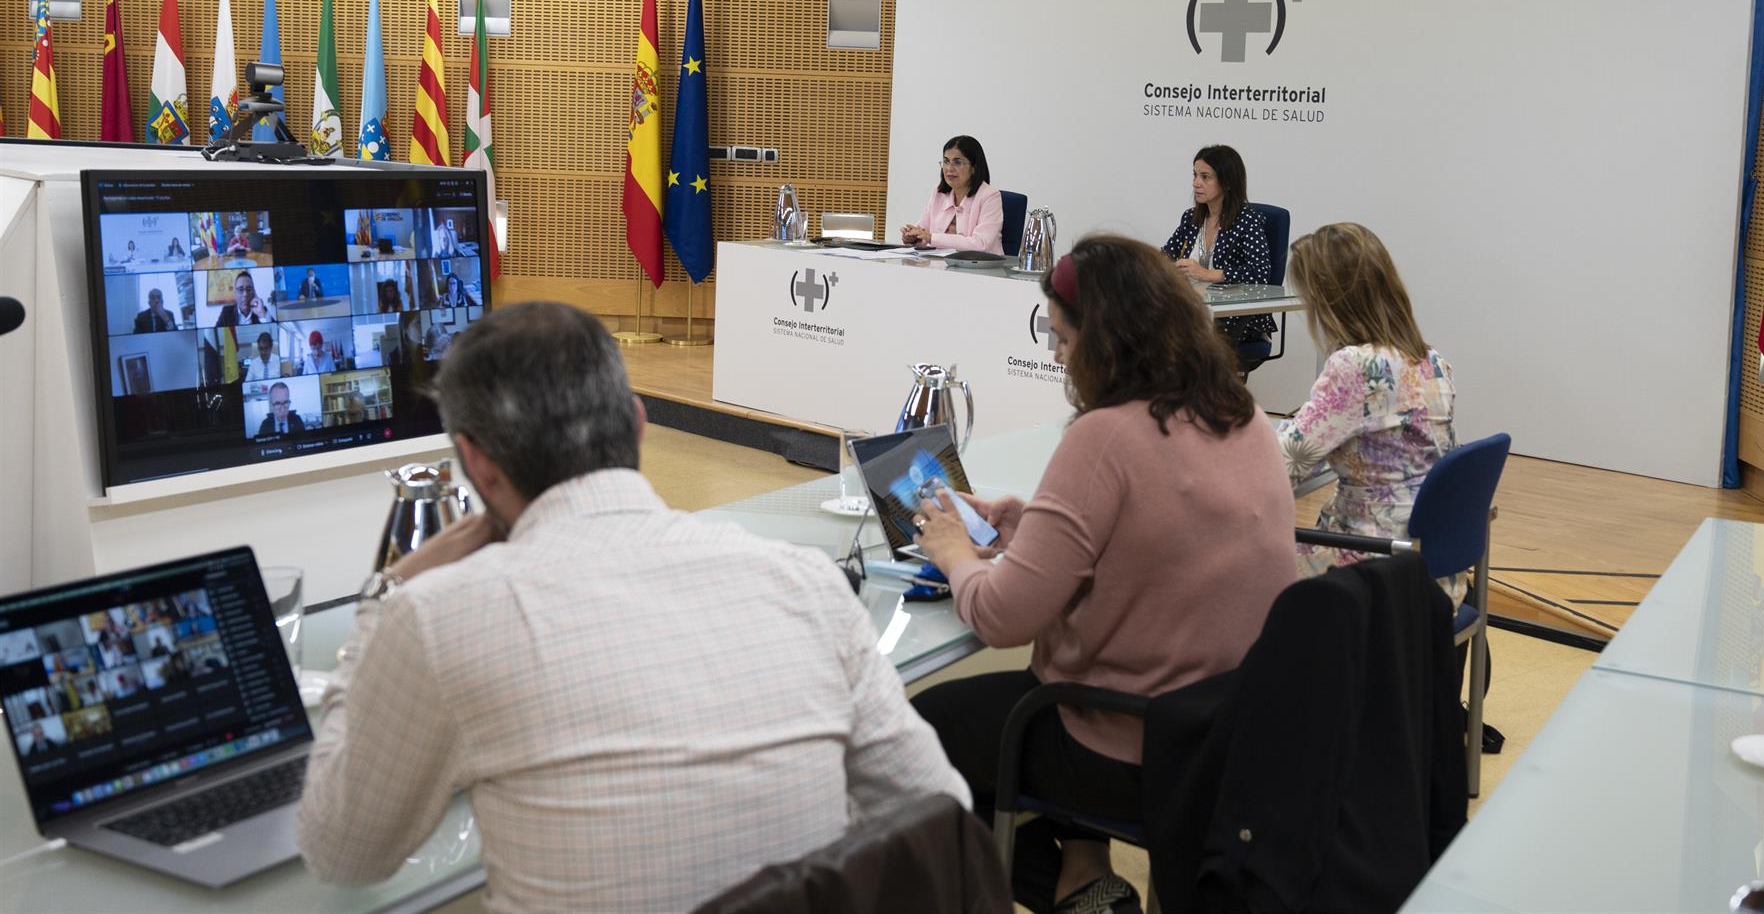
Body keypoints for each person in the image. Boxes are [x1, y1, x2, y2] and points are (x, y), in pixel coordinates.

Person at [296, 303, 968, 909]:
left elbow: (344, 854)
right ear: (640, 425)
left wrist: (384, 600)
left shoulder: (439, 617)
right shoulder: (804, 580)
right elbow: (941, 808)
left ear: (478, 461)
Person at [910, 235, 1296, 914]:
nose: (1056, 356)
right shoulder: (1244, 416)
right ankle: (1083, 876)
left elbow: (1002, 618)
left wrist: (954, 554)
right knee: (1051, 676)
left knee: (916, 734)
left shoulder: (1105, 437)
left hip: (1128, 743)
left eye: (1061, 339)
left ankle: (1058, 888)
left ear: (1105, 339)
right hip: (1224, 731)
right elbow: (1157, 548)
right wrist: (1029, 524)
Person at [1276, 222, 1458, 586]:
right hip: (1431, 566)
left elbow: (1283, 463)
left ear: (1330, 302)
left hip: (1369, 566)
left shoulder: (1355, 367)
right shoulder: (1430, 359)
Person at [1160, 145, 1275, 348]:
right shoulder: (1191, 218)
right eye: (1195, 175)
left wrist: (1207, 274)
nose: (1196, 183)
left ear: (1227, 182)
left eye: (1206, 177)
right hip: (1193, 308)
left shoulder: (1247, 220)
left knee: (1167, 339)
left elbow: (1260, 273)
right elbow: (1165, 256)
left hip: (1235, 316)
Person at [901, 134, 1005, 254]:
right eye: (946, 162)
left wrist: (931, 238)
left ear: (974, 167)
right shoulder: (939, 193)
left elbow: (980, 243)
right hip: (942, 265)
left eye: (957, 162)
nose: (949, 168)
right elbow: (924, 231)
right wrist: (913, 236)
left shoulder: (989, 196)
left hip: (980, 268)